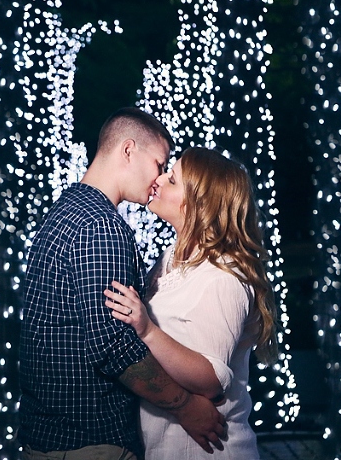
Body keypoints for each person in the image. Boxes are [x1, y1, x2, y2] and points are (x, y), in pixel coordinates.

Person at [19, 109, 227, 460]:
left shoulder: (66, 211)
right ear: (128, 151)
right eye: (159, 164)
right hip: (90, 441)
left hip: (50, 438)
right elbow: (114, 346)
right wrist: (186, 406)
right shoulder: (101, 227)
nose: (159, 178)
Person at [104, 147, 278, 460]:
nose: (158, 180)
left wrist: (146, 330)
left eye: (172, 180)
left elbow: (212, 380)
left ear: (200, 204)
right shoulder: (172, 258)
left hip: (205, 451)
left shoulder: (223, 277)